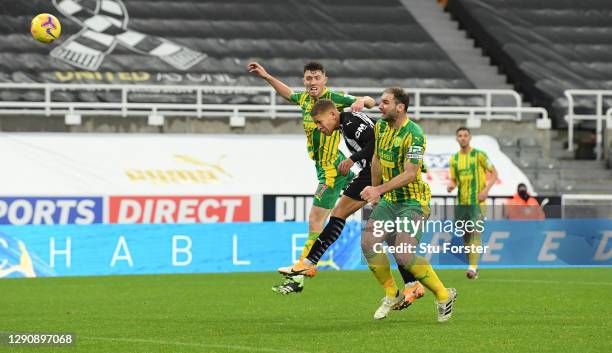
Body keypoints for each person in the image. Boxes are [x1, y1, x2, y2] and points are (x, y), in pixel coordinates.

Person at [277, 99, 425, 308]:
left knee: (338, 214)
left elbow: (377, 143)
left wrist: (352, 159)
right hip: (378, 172)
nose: (319, 127)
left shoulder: (351, 123)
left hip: (375, 173)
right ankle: (412, 283)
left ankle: (309, 263)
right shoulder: (348, 122)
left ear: (332, 115)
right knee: (387, 231)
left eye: (320, 122)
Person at [247, 61, 376, 294]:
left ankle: (301, 271)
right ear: (304, 80)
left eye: (316, 78)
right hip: (324, 167)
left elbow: (370, 102)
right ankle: (305, 268)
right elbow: (288, 94)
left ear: (324, 79)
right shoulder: (305, 100)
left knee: (316, 221)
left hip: (332, 171)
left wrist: (362, 100)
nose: (312, 82)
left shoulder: (333, 99)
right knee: (328, 218)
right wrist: (266, 76)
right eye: (308, 78)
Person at [360, 87, 457, 321]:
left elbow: (410, 174)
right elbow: (376, 159)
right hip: (389, 201)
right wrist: (376, 194)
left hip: (413, 202)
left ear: (400, 107)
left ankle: (444, 295)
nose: (379, 106)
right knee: (368, 243)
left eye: (385, 102)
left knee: (403, 254)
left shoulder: (414, 133)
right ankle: (392, 292)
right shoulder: (381, 127)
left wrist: (378, 189)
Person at [447, 127, 498, 279]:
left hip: (477, 202)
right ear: (457, 139)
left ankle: (472, 267)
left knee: (475, 231)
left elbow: (494, 173)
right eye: (460, 136)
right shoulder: (454, 159)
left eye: (465, 135)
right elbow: (455, 179)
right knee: (466, 235)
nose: (463, 138)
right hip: (462, 202)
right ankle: (473, 266)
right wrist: (451, 185)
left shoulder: (480, 155)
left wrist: (486, 190)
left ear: (470, 138)